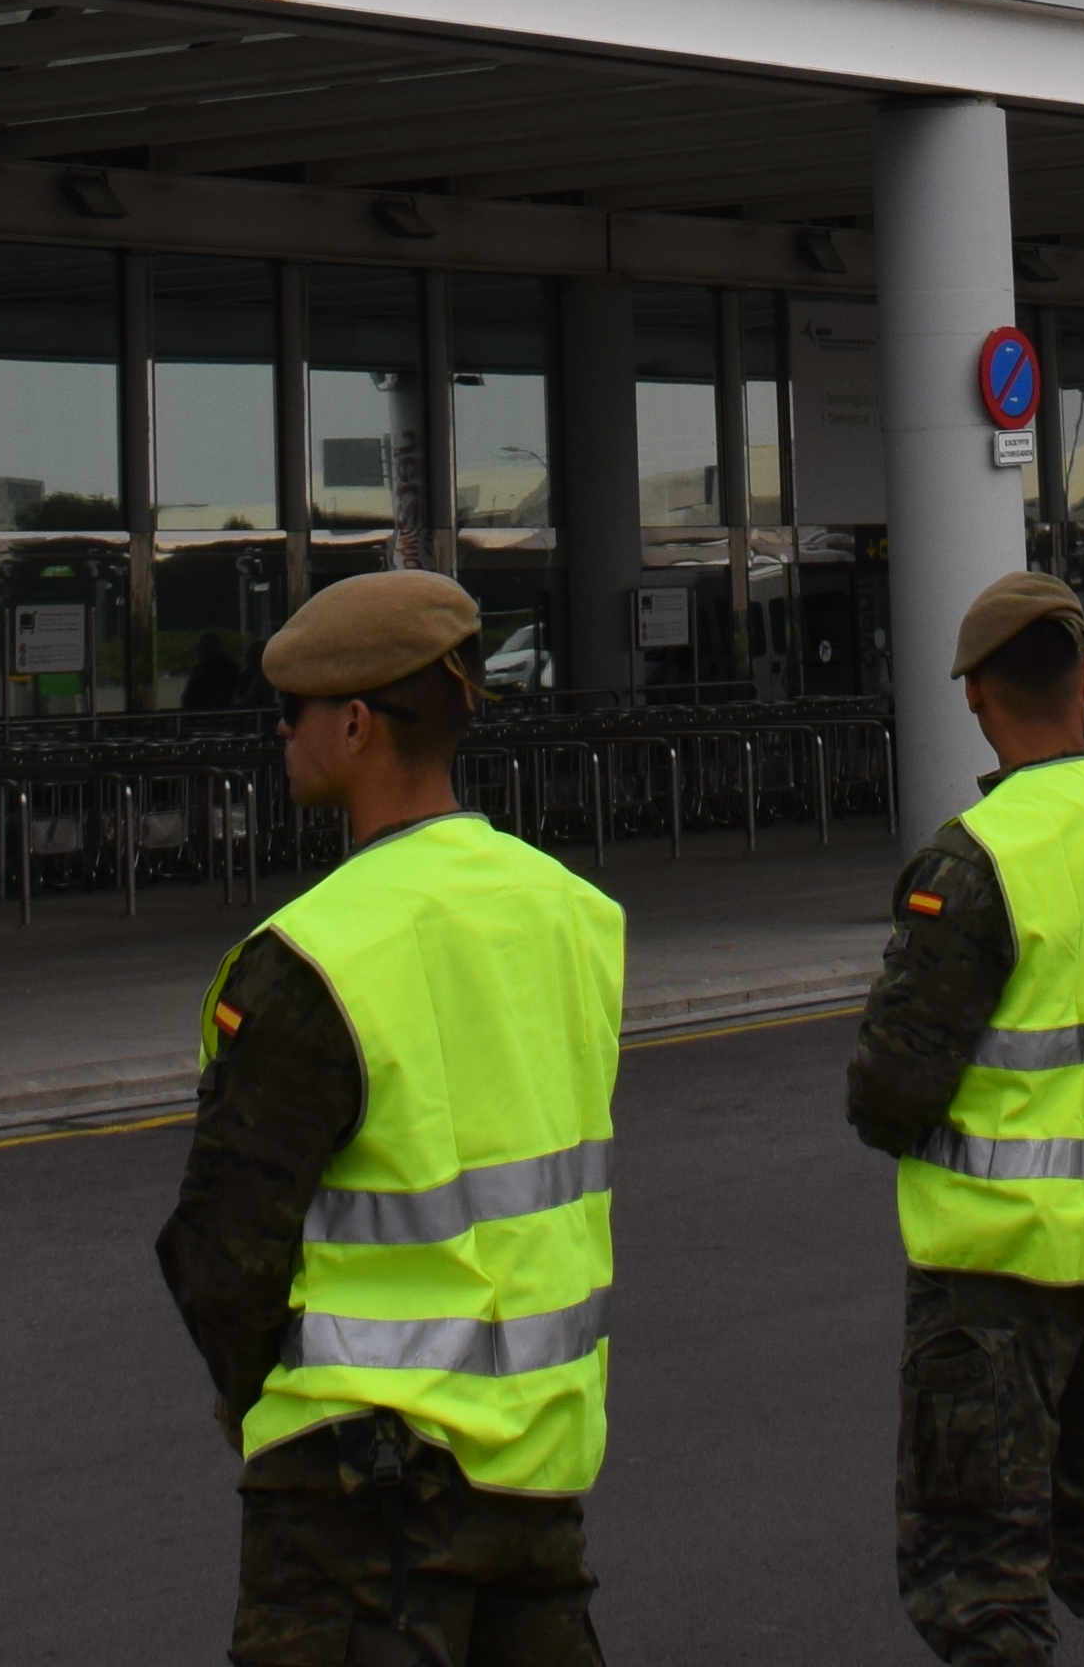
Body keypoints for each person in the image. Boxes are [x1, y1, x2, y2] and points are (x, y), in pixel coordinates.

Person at [154, 567, 624, 1666]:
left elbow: (224, 1259)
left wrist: (258, 1408)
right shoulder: (574, 915)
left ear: (356, 724)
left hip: (360, 1496)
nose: (280, 732)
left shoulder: (312, 957)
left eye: (295, 712)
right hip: (538, 1467)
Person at [847, 569, 1084, 1667]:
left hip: (993, 1280)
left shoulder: (977, 860)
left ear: (973, 696)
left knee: (979, 1579)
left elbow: (888, 1092)